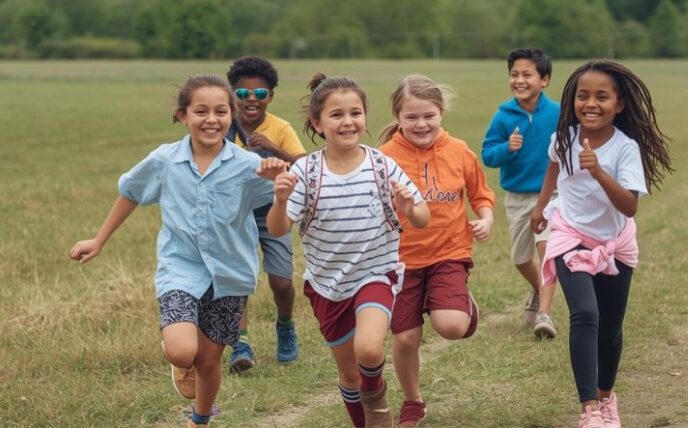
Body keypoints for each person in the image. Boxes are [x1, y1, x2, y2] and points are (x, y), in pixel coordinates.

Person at [68, 75, 287, 428]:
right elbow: (131, 192)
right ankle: (178, 358)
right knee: (183, 351)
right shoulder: (165, 160)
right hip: (180, 268)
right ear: (183, 116)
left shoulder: (249, 167)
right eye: (201, 111)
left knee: (210, 362)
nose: (211, 119)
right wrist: (98, 240)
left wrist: (280, 187)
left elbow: (280, 224)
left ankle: (199, 420)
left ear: (231, 117)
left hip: (231, 275)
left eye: (220, 111)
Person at [267, 73, 430, 428]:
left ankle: (378, 407)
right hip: (327, 285)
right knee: (349, 374)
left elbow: (422, 217)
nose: (348, 122)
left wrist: (409, 205)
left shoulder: (380, 165)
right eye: (336, 115)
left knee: (369, 349)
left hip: (376, 274)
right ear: (317, 123)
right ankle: (366, 414)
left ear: (365, 117)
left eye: (355, 113)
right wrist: (280, 201)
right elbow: (278, 228)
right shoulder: (306, 172)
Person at [530, 59, 672, 428]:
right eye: (582, 96)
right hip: (569, 235)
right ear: (572, 100)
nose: (590, 103)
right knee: (585, 314)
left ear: (619, 105)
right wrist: (541, 205)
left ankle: (608, 399)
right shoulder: (564, 138)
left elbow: (628, 205)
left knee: (610, 325)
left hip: (615, 243)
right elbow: (553, 166)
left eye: (601, 97)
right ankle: (589, 409)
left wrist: (597, 170)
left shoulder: (625, 149)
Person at [377, 75, 496, 427]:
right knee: (405, 337)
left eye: (428, 115)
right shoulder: (383, 158)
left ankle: (459, 304)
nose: (421, 124)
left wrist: (486, 219)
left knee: (451, 326)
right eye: (411, 117)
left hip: (449, 252)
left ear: (441, 113)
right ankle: (413, 401)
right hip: (399, 261)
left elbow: (481, 194)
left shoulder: (458, 150)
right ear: (397, 117)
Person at [225, 55, 306, 371]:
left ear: (270, 96)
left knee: (282, 282)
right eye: (243, 94)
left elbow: (306, 166)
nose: (251, 100)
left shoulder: (280, 127)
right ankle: (240, 343)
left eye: (260, 94)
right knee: (238, 280)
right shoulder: (224, 126)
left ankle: (285, 326)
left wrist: (274, 149)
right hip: (235, 213)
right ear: (234, 94)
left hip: (273, 210)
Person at [481, 47, 560, 338]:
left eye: (527, 74)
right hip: (517, 198)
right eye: (514, 74)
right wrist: (507, 149)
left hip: (552, 195)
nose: (519, 80)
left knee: (547, 248)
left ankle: (545, 314)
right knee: (520, 258)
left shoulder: (558, 112)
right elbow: (487, 155)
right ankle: (539, 289)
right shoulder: (503, 116)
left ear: (544, 80)